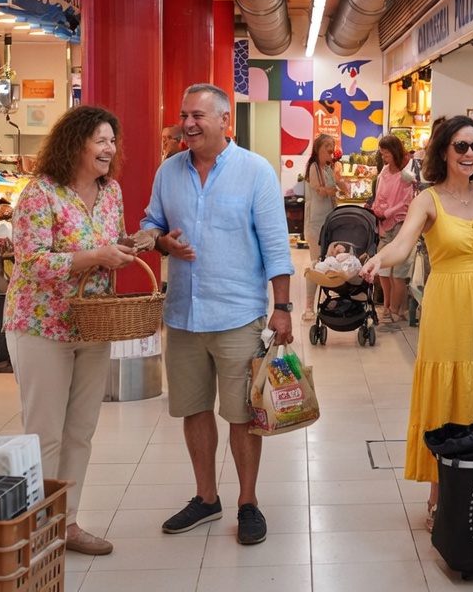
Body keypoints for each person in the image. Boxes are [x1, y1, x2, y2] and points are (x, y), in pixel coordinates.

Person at [139, 83, 295, 545]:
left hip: (238, 314)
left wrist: (282, 308)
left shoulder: (255, 172)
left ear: (225, 120)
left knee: (243, 415)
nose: (188, 124)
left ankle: (248, 501)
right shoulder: (168, 171)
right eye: (184, 115)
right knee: (192, 410)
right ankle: (207, 497)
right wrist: (163, 242)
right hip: (184, 314)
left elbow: (276, 246)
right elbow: (152, 222)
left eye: (198, 116)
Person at [358, 116, 473, 533]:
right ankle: (438, 494)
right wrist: (378, 259)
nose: (469, 154)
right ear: (444, 150)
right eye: (461, 146)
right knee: (447, 394)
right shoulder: (427, 200)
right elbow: (403, 242)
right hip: (448, 304)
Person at [3, 105, 138, 557]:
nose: (109, 149)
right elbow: (33, 262)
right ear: (74, 143)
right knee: (45, 431)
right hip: (40, 324)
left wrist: (129, 247)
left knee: (81, 430)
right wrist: (96, 257)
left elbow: (111, 242)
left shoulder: (111, 191)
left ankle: (69, 523)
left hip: (91, 322)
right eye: (100, 140)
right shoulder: (41, 194)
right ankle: (38, 527)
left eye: (112, 141)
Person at [370, 134, 414, 324]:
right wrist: (376, 209)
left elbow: (407, 202)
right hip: (383, 225)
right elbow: (379, 195)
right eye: (382, 154)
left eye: (386, 154)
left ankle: (397, 309)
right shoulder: (384, 172)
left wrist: (387, 212)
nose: (384, 158)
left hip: (400, 225)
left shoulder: (406, 176)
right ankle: (387, 306)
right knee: (383, 270)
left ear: (394, 152)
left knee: (398, 273)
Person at [301, 134, 339, 322]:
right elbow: (322, 192)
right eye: (327, 147)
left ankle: (325, 299)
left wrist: (337, 183)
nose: (331, 151)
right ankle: (308, 306)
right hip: (315, 223)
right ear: (318, 149)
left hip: (329, 221)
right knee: (316, 262)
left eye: (332, 147)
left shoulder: (329, 168)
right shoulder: (314, 168)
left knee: (330, 261)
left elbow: (334, 191)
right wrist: (336, 188)